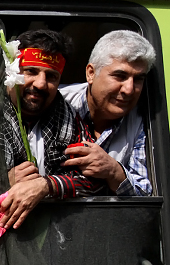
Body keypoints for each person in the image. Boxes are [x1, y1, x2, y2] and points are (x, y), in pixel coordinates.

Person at [0, 29, 102, 230]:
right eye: (31, 71)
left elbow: (95, 182)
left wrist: (46, 186)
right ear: (12, 70)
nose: (40, 83)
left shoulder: (70, 120)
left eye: (51, 76)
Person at [60, 30, 156, 196]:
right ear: (91, 73)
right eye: (120, 76)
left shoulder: (144, 120)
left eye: (138, 79)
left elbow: (147, 194)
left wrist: (113, 171)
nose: (129, 89)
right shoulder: (58, 102)